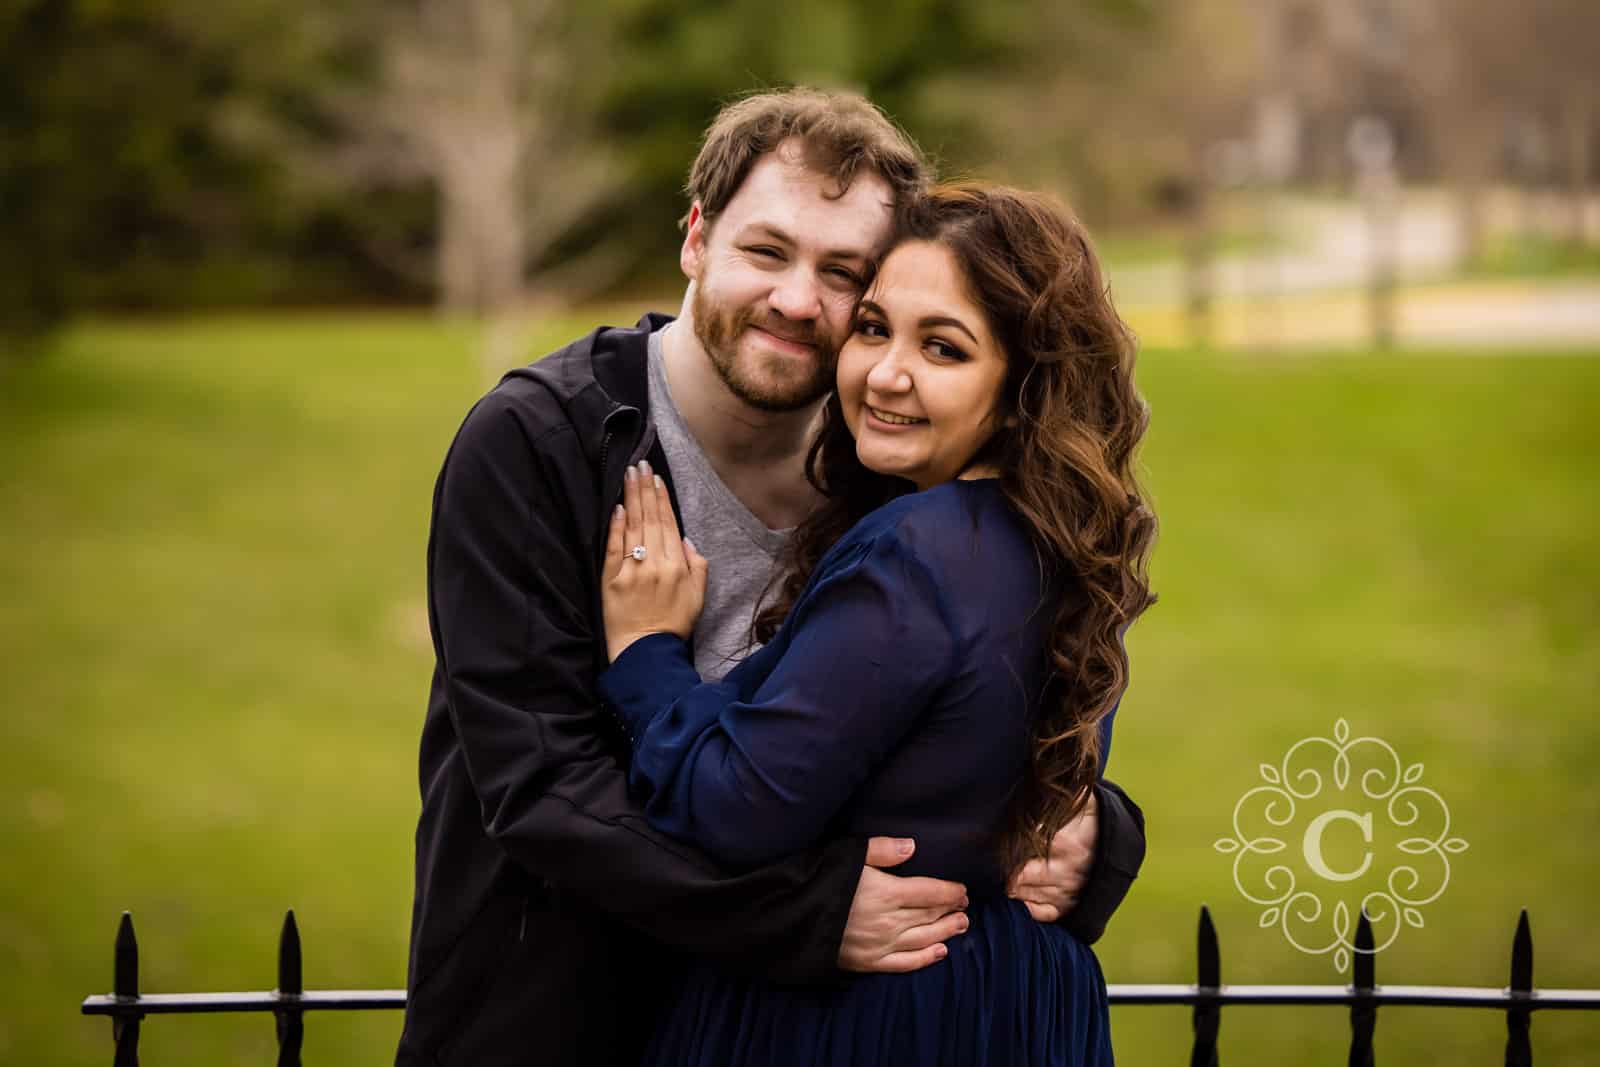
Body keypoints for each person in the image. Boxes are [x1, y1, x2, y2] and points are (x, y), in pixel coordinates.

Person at [398, 90, 1147, 1067]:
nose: (799, 299)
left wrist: (1094, 831)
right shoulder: (540, 441)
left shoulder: (891, 460)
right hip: (563, 1010)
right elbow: (539, 780)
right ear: (696, 238)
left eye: (842, 273)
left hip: (794, 1019)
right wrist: (799, 914)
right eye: (767, 251)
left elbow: (960, 722)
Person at [595, 181, 1156, 1065]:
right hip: (1018, 1000)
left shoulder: (917, 554)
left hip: (880, 1013)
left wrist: (647, 651)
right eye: (873, 328)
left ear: (1022, 387)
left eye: (942, 347)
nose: (885, 373)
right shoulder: (1065, 540)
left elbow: (738, 803)